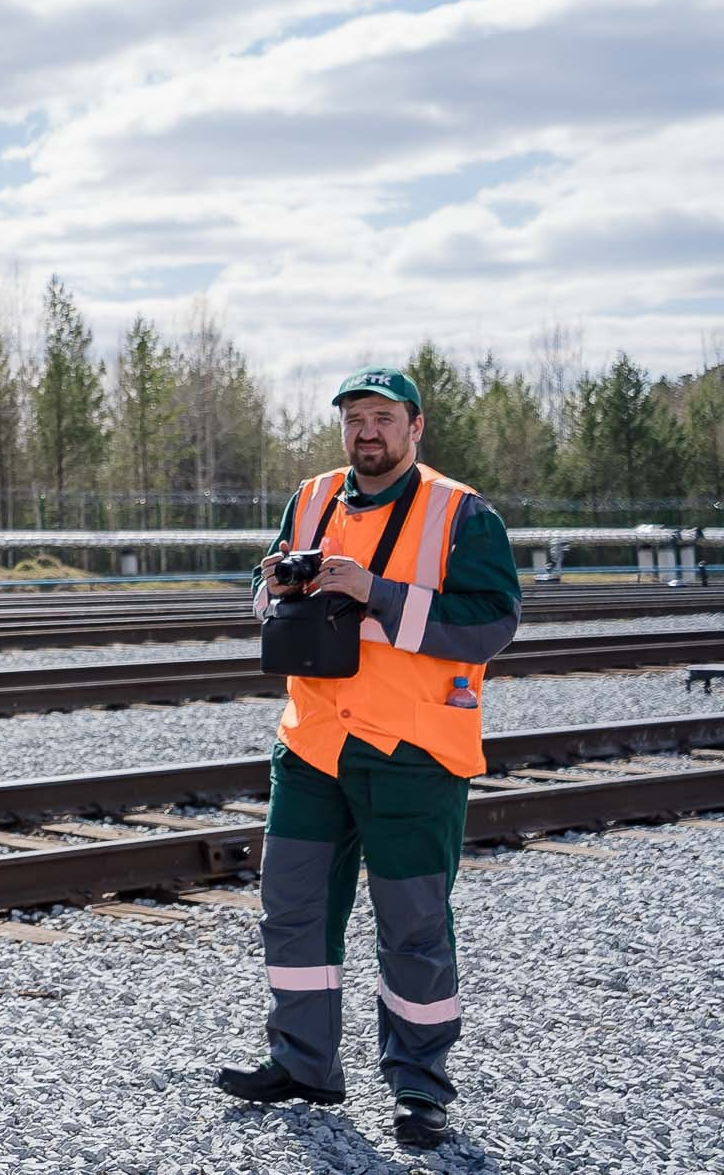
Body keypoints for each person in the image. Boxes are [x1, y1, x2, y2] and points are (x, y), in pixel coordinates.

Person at [215, 367, 520, 1150]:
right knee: (293, 910)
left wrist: (375, 591)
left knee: (413, 925)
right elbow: (262, 586)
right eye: (355, 418)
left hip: (412, 750)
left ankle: (420, 1086)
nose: (367, 432)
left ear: (416, 427)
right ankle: (304, 1061)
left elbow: (489, 626)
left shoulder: (463, 513)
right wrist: (279, 585)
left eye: (383, 417)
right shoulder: (311, 495)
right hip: (313, 743)